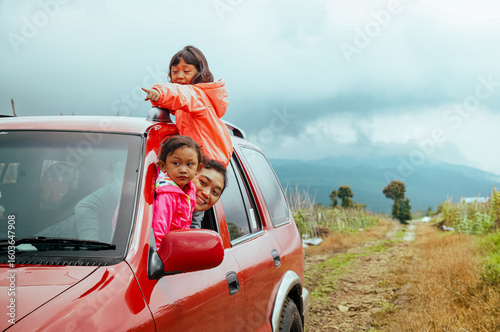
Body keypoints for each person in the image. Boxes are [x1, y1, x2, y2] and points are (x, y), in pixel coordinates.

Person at [142, 45, 233, 168]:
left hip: (208, 164)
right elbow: (178, 101)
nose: (179, 76)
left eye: (186, 71)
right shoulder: (186, 107)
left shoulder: (198, 96)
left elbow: (181, 94)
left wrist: (159, 93)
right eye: (174, 71)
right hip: (201, 163)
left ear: (201, 74)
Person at [152, 135, 202, 249]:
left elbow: (186, 223)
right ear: (163, 166)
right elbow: (158, 230)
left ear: (198, 169)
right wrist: (160, 257)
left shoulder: (190, 189)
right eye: (176, 163)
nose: (183, 170)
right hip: (166, 252)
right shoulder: (167, 194)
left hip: (178, 246)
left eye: (189, 164)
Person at [190, 158, 228, 229]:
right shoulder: (165, 198)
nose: (206, 193)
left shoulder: (196, 213)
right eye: (203, 182)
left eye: (214, 192)